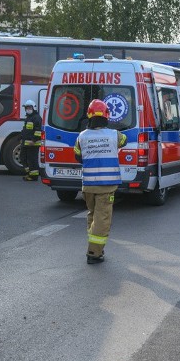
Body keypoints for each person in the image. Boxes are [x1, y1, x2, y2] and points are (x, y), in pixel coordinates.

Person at [73, 99, 126, 265]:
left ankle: (96, 248)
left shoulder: (82, 136)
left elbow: (77, 156)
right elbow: (124, 140)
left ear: (89, 116)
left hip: (88, 185)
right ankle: (94, 253)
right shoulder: (114, 135)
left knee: (93, 216)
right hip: (106, 185)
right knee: (102, 219)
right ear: (106, 116)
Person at [20, 99, 42, 181]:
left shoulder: (36, 118)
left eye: (29, 107)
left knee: (32, 160)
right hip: (26, 143)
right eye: (26, 108)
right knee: (23, 157)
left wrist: (34, 140)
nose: (27, 109)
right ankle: (29, 173)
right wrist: (21, 138)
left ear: (34, 108)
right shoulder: (29, 118)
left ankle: (34, 176)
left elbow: (38, 131)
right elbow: (25, 130)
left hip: (33, 144)